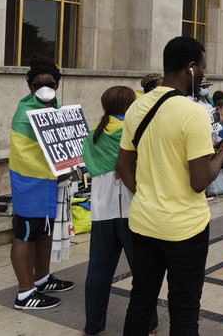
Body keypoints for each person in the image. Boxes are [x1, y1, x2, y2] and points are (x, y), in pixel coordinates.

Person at [116, 36, 223, 335]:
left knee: (141, 300)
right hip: (184, 229)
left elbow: (123, 166)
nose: (204, 77)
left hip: (143, 222)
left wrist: (145, 195)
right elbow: (199, 181)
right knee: (184, 308)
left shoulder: (137, 107)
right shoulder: (193, 112)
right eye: (203, 69)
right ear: (190, 68)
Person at [81, 86, 157, 336]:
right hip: (133, 210)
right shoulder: (133, 131)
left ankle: (92, 326)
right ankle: (149, 324)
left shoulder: (93, 134)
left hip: (102, 210)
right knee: (143, 272)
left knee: (98, 271)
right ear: (129, 106)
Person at [9, 54, 75, 310]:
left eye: (50, 83)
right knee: (25, 234)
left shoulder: (54, 109)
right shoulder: (27, 113)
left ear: (57, 84)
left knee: (45, 231)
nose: (44, 89)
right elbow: (34, 153)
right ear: (30, 86)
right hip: (30, 183)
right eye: (38, 85)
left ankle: (42, 278)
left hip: (50, 182)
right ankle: (25, 293)